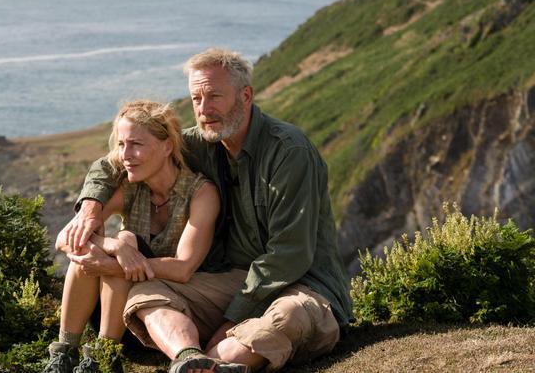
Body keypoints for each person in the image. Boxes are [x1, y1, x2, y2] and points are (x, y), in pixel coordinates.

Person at [65, 48, 352, 373]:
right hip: (232, 281)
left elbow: (289, 255)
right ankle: (188, 356)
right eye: (196, 99)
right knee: (148, 292)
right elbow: (114, 163)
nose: (204, 110)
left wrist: (229, 320)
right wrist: (90, 209)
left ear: (246, 95)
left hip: (300, 284)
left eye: (214, 96)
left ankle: (214, 360)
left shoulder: (289, 152)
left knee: (285, 319)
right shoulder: (201, 142)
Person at [45, 100, 220, 373]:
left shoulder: (201, 193)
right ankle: (64, 354)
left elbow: (184, 268)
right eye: (122, 145)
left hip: (161, 317)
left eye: (136, 144)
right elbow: (64, 239)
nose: (126, 154)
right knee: (98, 246)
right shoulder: (132, 188)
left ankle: (104, 357)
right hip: (114, 315)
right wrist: (113, 246)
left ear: (167, 147)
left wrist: (119, 258)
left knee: (127, 239)